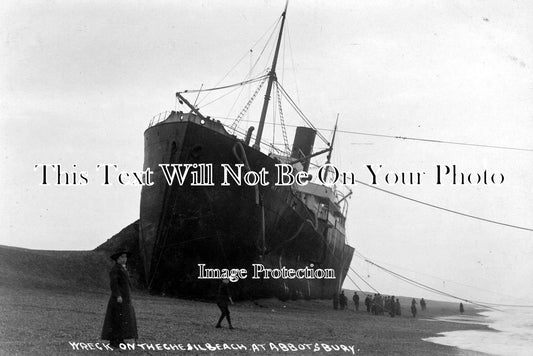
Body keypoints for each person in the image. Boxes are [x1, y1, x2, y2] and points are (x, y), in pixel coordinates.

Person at [101, 249, 138, 348]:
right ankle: (114, 341)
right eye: (122, 257)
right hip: (118, 298)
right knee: (117, 318)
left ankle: (120, 339)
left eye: (125, 257)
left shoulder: (122, 268)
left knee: (123, 318)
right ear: (117, 258)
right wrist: (118, 295)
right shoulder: (115, 269)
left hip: (125, 297)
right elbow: (114, 284)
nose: (124, 259)